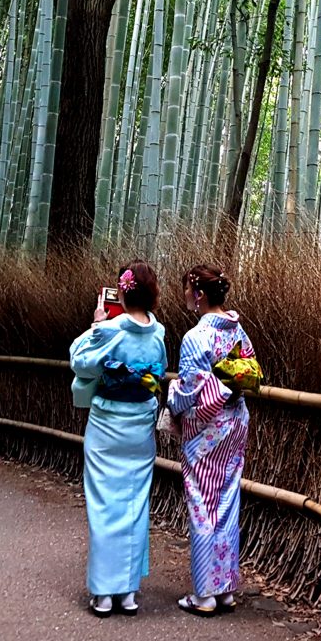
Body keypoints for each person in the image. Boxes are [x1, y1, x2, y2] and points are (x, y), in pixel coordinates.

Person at [70, 261, 167, 618]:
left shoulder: (109, 330)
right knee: (134, 500)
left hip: (108, 423)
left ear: (121, 292)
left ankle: (104, 591)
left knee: (104, 502)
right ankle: (127, 592)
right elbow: (157, 374)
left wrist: (96, 324)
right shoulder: (158, 334)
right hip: (140, 425)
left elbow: (80, 363)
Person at [167, 263, 255, 615]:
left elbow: (189, 390)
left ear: (198, 294)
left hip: (207, 430)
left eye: (188, 289)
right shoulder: (239, 332)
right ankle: (225, 589)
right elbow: (247, 375)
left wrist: (172, 394)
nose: (186, 295)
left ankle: (204, 593)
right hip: (235, 423)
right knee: (227, 502)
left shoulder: (196, 338)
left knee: (202, 505)